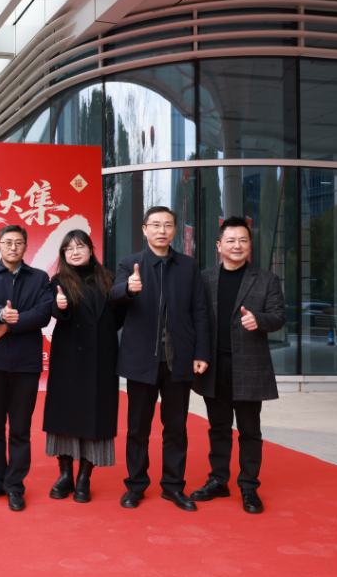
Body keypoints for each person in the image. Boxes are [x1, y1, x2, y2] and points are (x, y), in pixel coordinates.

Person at [111, 206, 209, 512]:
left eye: (167, 225)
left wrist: (201, 352)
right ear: (145, 230)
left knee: (176, 427)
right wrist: (128, 289)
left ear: (174, 230)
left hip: (178, 359)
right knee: (138, 427)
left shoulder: (188, 266)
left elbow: (200, 311)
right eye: (155, 225)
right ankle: (135, 486)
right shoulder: (130, 263)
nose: (161, 230)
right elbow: (114, 295)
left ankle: (173, 486)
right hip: (141, 359)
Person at [190, 217, 286, 514]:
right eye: (230, 241)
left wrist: (260, 320)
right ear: (219, 246)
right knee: (218, 428)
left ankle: (248, 486)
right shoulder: (204, 279)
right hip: (214, 366)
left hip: (249, 366)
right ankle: (218, 480)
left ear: (250, 245)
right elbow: (195, 319)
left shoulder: (266, 279)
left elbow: (279, 316)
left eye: (243, 240)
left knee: (249, 430)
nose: (237, 246)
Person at [0, 224, 53, 511]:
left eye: (18, 242)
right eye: (7, 242)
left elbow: (43, 313)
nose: (13, 247)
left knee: (20, 429)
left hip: (26, 365)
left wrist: (8, 325)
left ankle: (15, 486)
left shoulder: (39, 277)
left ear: (25, 246)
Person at [45, 230, 126, 503]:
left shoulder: (109, 279)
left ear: (91, 250)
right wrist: (60, 306)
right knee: (65, 417)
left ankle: (84, 477)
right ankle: (65, 474)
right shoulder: (58, 280)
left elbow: (119, 316)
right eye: (69, 249)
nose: (75, 252)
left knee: (96, 417)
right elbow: (55, 310)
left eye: (80, 246)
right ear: (63, 255)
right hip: (69, 358)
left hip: (102, 359)